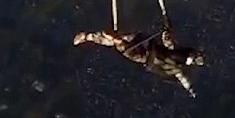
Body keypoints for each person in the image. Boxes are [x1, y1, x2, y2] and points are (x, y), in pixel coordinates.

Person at [73, 22, 204, 97]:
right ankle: (99, 38)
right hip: (148, 50)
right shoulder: (178, 57)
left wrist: (190, 89)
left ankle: (97, 38)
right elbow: (169, 45)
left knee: (123, 44)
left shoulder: (177, 63)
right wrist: (166, 34)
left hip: (147, 54)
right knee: (123, 43)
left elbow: (181, 75)